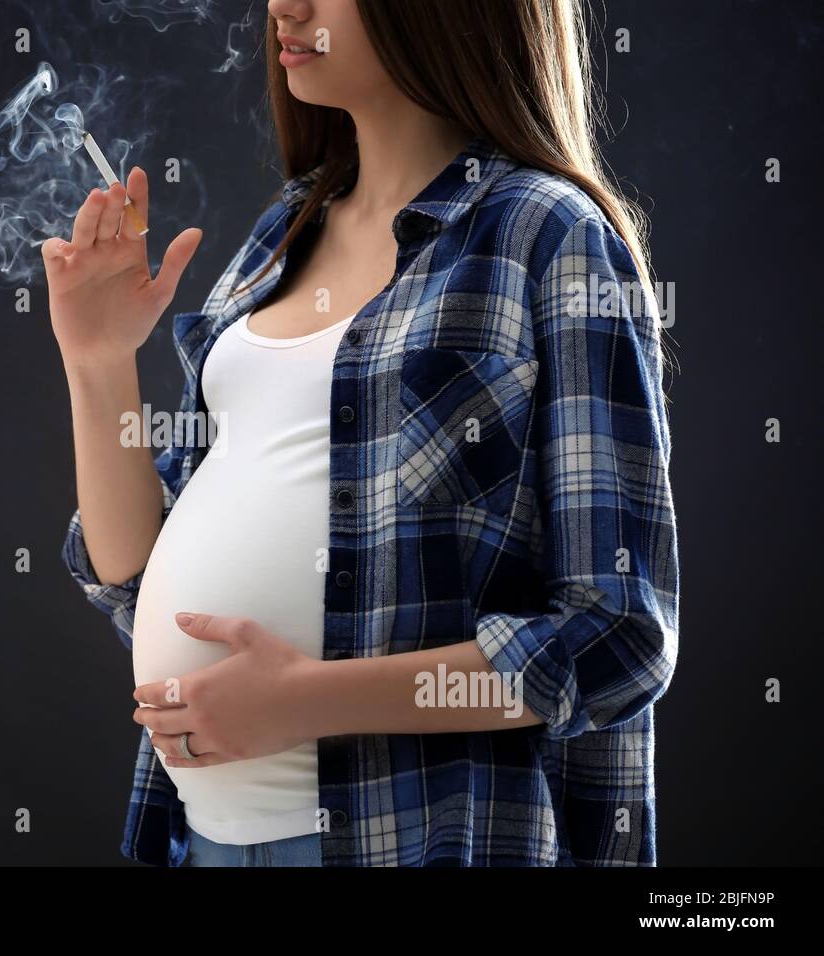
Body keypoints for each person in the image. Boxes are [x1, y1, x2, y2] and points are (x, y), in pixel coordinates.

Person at [45, 0, 679, 867]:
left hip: (414, 841)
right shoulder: (284, 234)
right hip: (200, 840)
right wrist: (99, 362)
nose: (284, 7)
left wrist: (311, 701)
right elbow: (136, 581)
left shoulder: (547, 234)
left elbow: (617, 636)